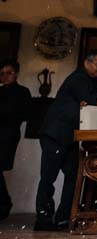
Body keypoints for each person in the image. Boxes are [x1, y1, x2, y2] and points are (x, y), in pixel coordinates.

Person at [36, 51, 97, 230]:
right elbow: (90, 98)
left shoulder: (89, 82)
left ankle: (64, 218)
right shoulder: (78, 79)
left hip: (70, 136)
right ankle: (43, 220)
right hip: (55, 135)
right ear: (86, 63)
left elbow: (96, 101)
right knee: (48, 178)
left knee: (73, 176)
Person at [0, 60, 32, 221]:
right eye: (2, 73)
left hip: (7, 135)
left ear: (16, 74)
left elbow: (26, 114)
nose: (5, 76)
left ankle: (4, 204)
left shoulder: (22, 92)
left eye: (9, 73)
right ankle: (4, 203)